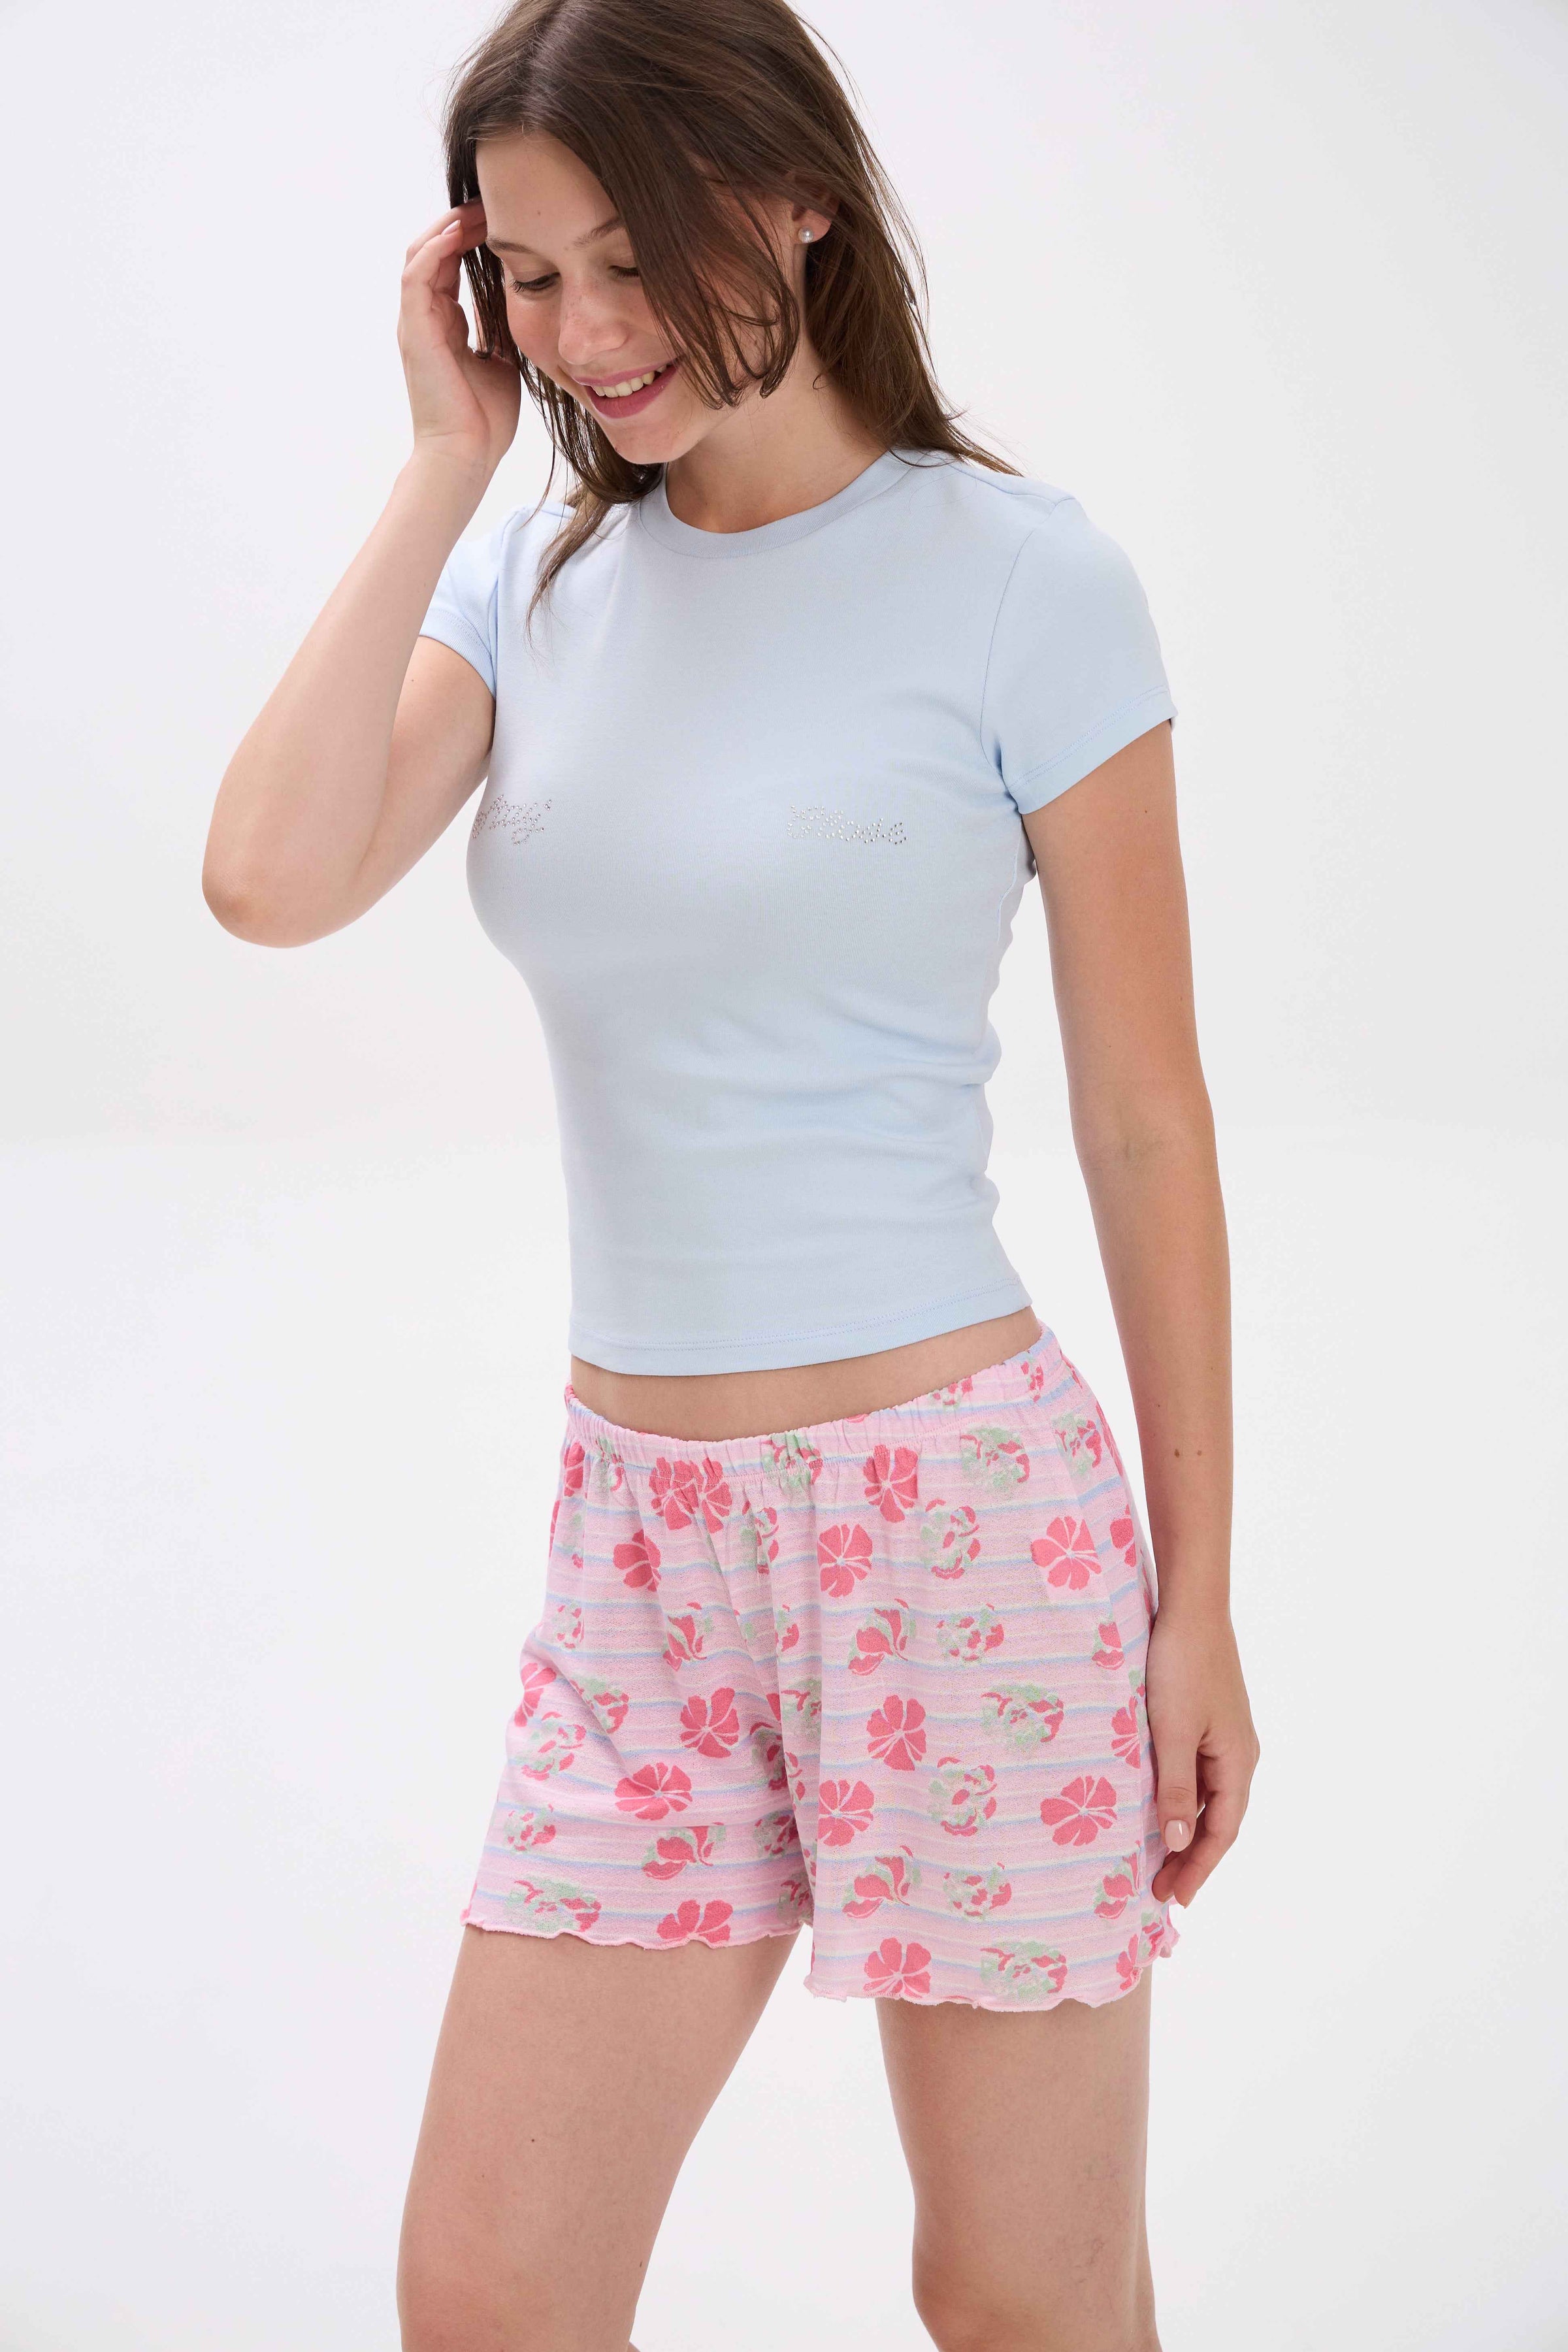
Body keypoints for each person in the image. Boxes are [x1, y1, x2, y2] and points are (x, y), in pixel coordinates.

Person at [203, 0, 1260, 2344]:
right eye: (531, 278)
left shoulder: (1023, 582)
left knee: (1021, 2296)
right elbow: (267, 883)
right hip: (638, 1557)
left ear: (795, 194)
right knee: (490, 2292)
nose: (584, 339)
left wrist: (1197, 1596)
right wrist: (434, 472)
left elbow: (1145, 1118)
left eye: (628, 262)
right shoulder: (536, 590)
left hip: (960, 1527)